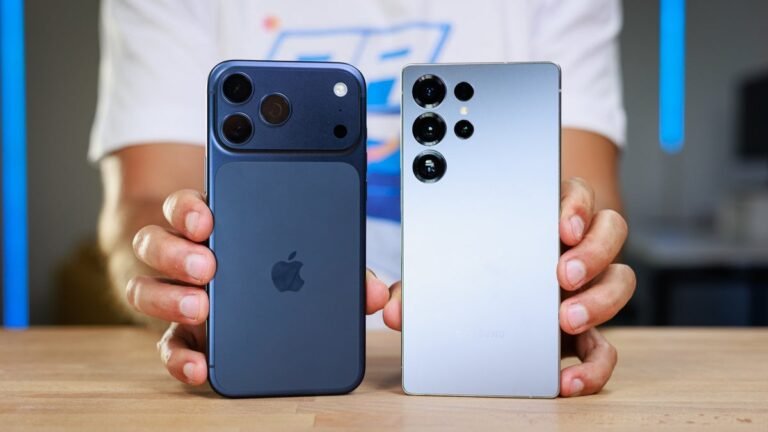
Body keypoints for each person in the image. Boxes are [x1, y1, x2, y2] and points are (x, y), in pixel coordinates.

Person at [92, 0, 635, 397]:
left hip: (481, 352)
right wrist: (184, 275)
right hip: (249, 344)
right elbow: (146, 198)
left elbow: (582, 201)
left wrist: (574, 272)